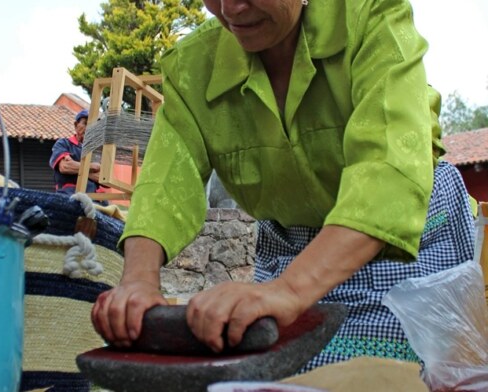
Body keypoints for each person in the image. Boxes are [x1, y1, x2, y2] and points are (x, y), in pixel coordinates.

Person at [91, 0, 476, 372]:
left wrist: (289, 291)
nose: (230, 8)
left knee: (385, 375)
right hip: (289, 244)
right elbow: (165, 182)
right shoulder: (192, 66)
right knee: (273, 368)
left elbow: (389, 167)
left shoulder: (371, 14)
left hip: (407, 238)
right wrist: (138, 283)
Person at [49, 109, 106, 196]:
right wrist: (93, 167)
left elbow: (105, 180)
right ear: (76, 125)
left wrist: (75, 166)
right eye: (85, 123)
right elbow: (65, 167)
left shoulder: (97, 151)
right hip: (69, 195)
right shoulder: (63, 143)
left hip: (94, 198)